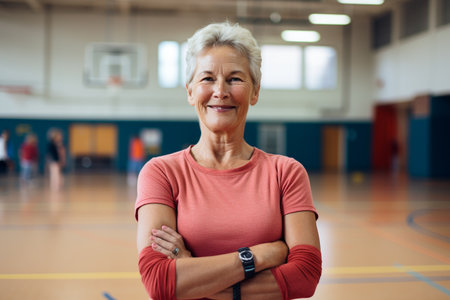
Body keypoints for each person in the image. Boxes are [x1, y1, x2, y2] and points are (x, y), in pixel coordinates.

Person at [135, 22, 321, 300]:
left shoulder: (287, 173)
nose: (220, 91)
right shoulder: (161, 173)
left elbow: (305, 276)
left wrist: (188, 268)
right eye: (207, 78)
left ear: (255, 92)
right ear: (190, 91)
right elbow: (159, 281)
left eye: (235, 78)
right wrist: (259, 255)